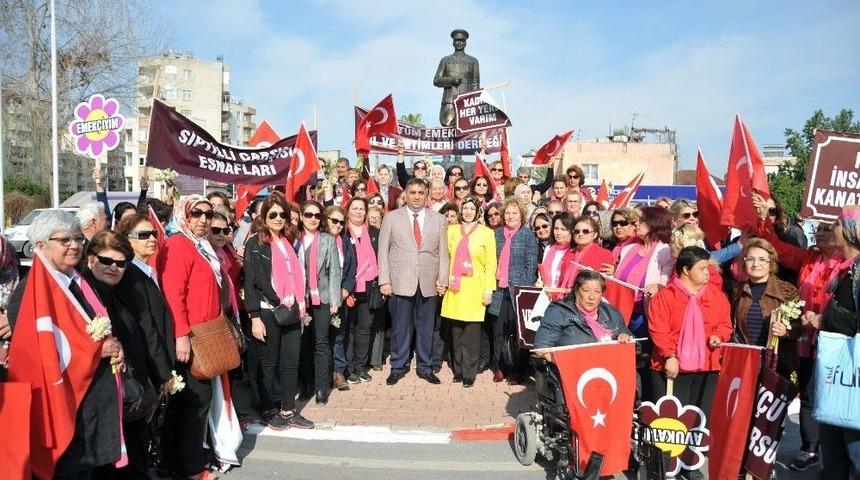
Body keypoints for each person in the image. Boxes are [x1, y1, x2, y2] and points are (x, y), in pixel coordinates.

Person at [7, 210, 123, 479]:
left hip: (90, 405)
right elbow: (37, 352)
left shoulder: (78, 281)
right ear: (40, 245)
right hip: (65, 405)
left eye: (78, 238)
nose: (75, 245)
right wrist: (96, 351)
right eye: (64, 240)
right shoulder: (30, 291)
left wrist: (113, 344)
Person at [754, 208, 841, 470]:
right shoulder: (808, 257)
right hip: (805, 339)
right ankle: (809, 448)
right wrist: (764, 216)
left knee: (836, 396)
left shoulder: (849, 264)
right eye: (819, 229)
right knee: (809, 393)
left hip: (836, 339)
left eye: (828, 229)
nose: (821, 233)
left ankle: (838, 452)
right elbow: (775, 247)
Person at [159, 196, 226, 478]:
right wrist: (181, 335)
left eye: (208, 214)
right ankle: (190, 469)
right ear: (184, 214)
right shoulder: (178, 244)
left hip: (204, 335)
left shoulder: (198, 245)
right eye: (196, 213)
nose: (203, 219)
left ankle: (174, 464)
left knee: (185, 403)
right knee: (195, 403)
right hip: (191, 338)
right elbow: (173, 293)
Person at [84, 231, 157, 480]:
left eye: (121, 263)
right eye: (106, 261)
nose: (113, 268)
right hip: (103, 399)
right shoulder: (84, 293)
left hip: (127, 394)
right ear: (91, 259)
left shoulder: (118, 291)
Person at [242, 193, 314, 430]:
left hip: (291, 309)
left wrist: (300, 309)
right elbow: (251, 282)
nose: (278, 218)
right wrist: (254, 317)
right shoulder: (255, 244)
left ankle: (288, 410)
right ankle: (267, 410)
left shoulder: (287, 241)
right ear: (264, 217)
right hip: (267, 311)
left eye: (282, 214)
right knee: (268, 365)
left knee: (291, 362)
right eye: (273, 214)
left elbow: (297, 276)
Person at [378, 178, 449, 385]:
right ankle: (398, 367)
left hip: (428, 282)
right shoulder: (391, 218)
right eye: (412, 192)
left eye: (420, 192)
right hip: (400, 282)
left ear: (427, 195)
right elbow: (383, 251)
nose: (416, 196)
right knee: (400, 328)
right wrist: (384, 281)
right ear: (406, 194)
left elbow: (443, 253)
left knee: (426, 328)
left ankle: (425, 368)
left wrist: (443, 280)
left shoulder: (438, 219)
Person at [647, 246, 733, 416]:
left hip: (707, 365)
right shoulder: (665, 297)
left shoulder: (717, 296)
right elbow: (658, 330)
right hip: (671, 366)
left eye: (707, 268)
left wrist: (718, 335)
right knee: (673, 422)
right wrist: (669, 356)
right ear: (686, 270)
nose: (707, 273)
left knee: (701, 420)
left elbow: (726, 324)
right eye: (701, 269)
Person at [817, 205, 860, 479]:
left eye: (836, 223)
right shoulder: (846, 270)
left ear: (850, 231)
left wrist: (823, 320)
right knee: (833, 454)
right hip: (837, 375)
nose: (830, 228)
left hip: (852, 377)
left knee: (854, 452)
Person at [441, 196, 497, 387]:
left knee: (471, 335)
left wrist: (488, 289)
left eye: (472, 209)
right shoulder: (451, 230)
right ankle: (458, 369)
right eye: (465, 208)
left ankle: (469, 372)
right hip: (455, 288)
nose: (468, 212)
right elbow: (445, 258)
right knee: (456, 333)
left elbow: (490, 264)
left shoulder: (486, 233)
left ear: (477, 211)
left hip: (475, 288)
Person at [730, 238, 802, 374]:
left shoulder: (786, 290)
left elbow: (800, 326)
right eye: (750, 259)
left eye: (762, 259)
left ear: (771, 262)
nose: (756, 264)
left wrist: (786, 331)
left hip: (778, 364)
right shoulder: (737, 291)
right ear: (744, 262)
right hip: (746, 362)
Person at [488, 198, 538, 384]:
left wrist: (523, 287)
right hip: (499, 290)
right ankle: (500, 368)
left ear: (521, 215)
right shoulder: (496, 234)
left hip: (518, 290)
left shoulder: (527, 235)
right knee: (498, 331)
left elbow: (530, 265)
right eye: (507, 213)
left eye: (514, 213)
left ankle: (517, 371)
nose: (510, 216)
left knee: (518, 332)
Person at [296, 201, 341, 405]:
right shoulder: (294, 240)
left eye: (316, 215)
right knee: (303, 343)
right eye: (308, 215)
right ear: (301, 216)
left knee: (321, 343)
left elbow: (334, 272)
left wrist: (334, 300)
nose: (313, 219)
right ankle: (308, 385)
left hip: (321, 298)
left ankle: (322, 387)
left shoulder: (328, 240)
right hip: (299, 299)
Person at [613, 206, 674, 339]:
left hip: (642, 316)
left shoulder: (665, 251)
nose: (636, 224)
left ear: (653, 223)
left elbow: (666, 284)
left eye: (641, 221)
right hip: (619, 312)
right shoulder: (628, 249)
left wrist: (657, 287)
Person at [534, 270, 633, 348]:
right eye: (586, 290)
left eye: (597, 292)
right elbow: (541, 348)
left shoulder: (611, 313)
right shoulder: (559, 311)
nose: (591, 297)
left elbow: (635, 346)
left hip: (608, 366)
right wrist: (560, 361)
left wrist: (626, 338)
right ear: (576, 291)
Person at [342, 197, 380, 384]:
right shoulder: (342, 232)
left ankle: (360, 366)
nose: (358, 212)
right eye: (355, 208)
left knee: (365, 328)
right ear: (348, 210)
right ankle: (349, 369)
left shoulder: (373, 232)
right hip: (348, 288)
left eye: (362, 209)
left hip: (369, 287)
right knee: (348, 329)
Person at [324, 206, 357, 391]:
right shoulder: (319, 239)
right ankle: (324, 373)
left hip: (341, 296)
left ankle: (338, 372)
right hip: (322, 297)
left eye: (341, 222)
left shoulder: (344, 241)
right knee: (322, 338)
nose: (338, 225)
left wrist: (346, 288)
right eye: (334, 221)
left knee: (339, 335)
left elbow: (352, 267)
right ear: (326, 220)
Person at [557, 215, 615, 290]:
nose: (580, 234)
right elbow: (561, 281)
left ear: (595, 235)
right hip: (565, 294)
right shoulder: (569, 254)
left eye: (585, 231)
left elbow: (605, 285)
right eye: (577, 231)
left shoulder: (604, 254)